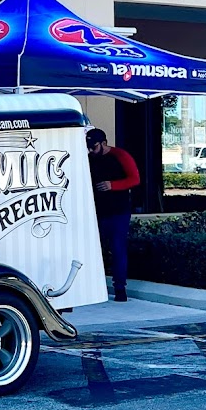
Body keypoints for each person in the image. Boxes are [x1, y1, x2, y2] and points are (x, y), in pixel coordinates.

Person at [86, 128, 140, 302]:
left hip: (118, 211)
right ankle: (93, 286)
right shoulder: (90, 159)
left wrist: (113, 185)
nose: (91, 151)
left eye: (94, 147)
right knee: (94, 250)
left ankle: (120, 288)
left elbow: (135, 178)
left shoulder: (120, 156)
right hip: (98, 211)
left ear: (103, 143)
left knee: (117, 248)